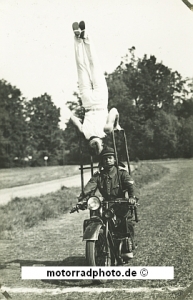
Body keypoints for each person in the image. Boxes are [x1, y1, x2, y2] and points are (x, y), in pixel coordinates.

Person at [69, 21, 122, 155]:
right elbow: (73, 118)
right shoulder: (94, 133)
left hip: (93, 102)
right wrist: (114, 124)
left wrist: (114, 123)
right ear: (102, 144)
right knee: (87, 67)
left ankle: (81, 37)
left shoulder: (101, 131)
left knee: (89, 66)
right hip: (94, 102)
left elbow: (115, 110)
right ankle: (80, 37)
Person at [78, 146, 137, 259]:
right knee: (93, 221)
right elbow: (90, 187)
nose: (107, 160)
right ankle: (98, 244)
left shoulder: (122, 174)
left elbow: (131, 186)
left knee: (126, 223)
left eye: (110, 157)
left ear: (115, 159)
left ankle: (129, 245)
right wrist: (82, 199)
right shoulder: (99, 176)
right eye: (105, 158)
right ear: (102, 161)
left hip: (121, 205)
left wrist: (132, 197)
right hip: (106, 206)